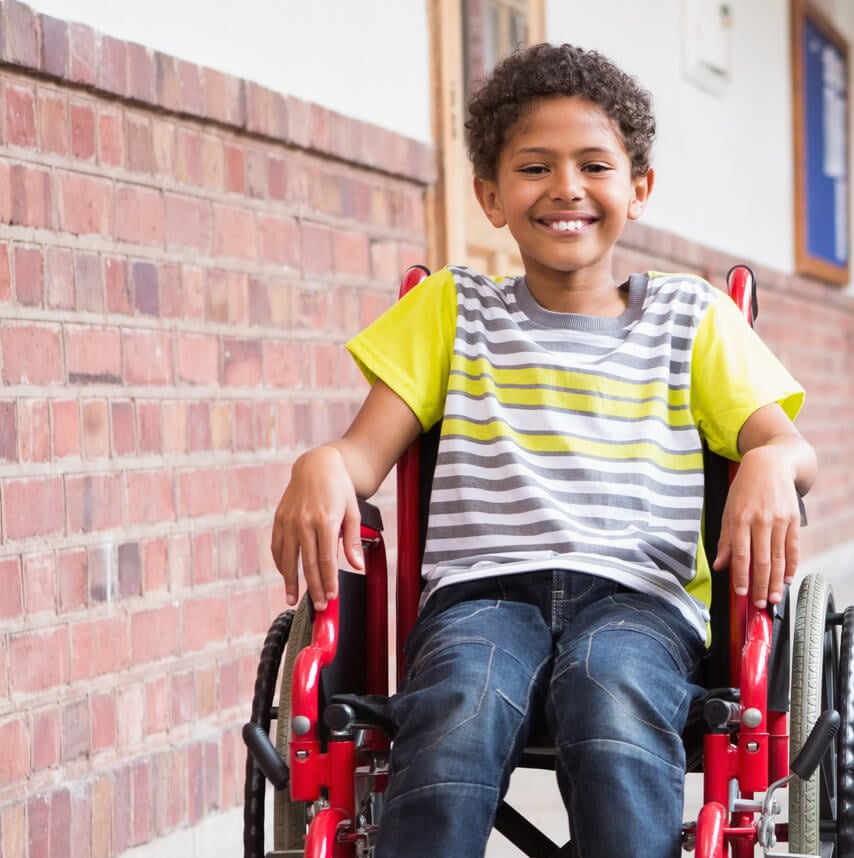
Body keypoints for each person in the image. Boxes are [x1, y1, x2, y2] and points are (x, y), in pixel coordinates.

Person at [271, 42, 817, 858]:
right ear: (491, 196)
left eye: (594, 165)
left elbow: (789, 446)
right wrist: (319, 463)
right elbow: (361, 456)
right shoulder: (454, 312)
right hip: (480, 597)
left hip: (640, 601)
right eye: (534, 168)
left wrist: (773, 460)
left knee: (612, 691)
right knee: (460, 699)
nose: (566, 187)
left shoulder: (692, 318)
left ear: (639, 191)